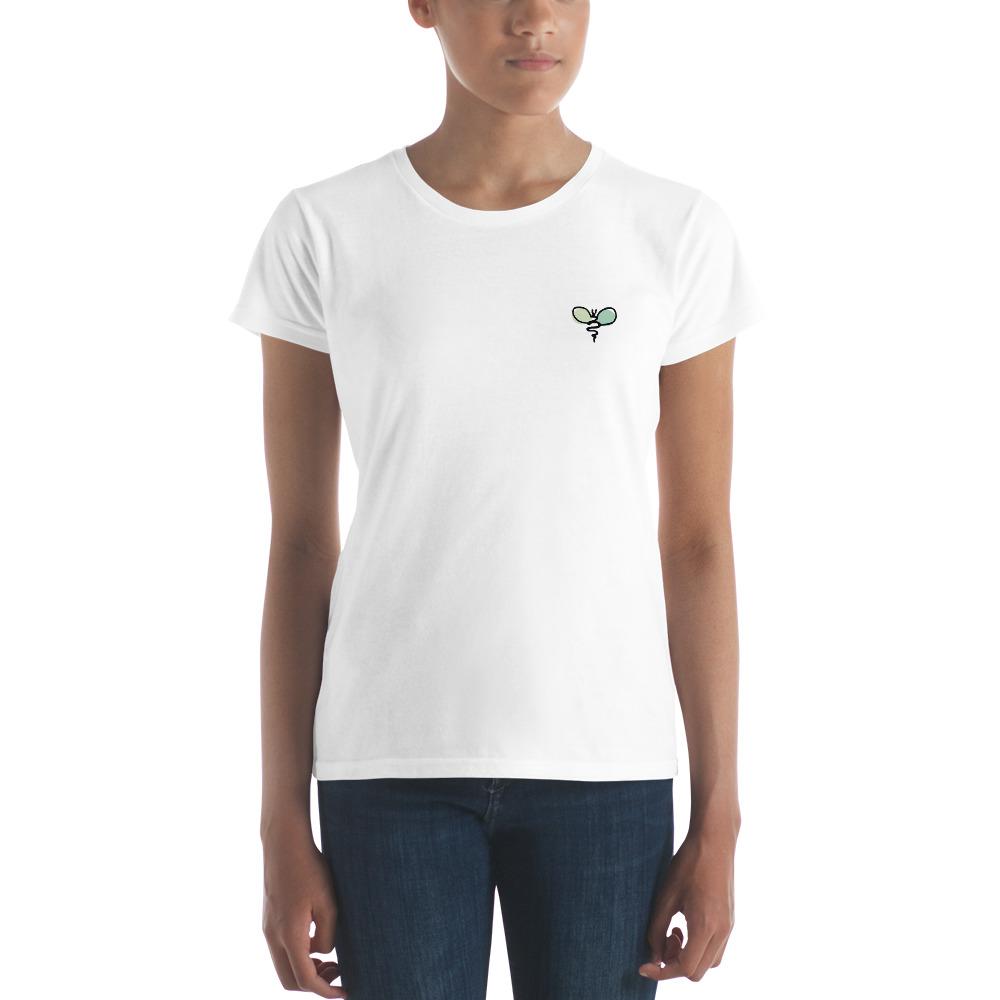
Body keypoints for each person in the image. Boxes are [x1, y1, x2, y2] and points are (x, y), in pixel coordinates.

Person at [228, 2, 765, 998]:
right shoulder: (326, 229)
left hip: (606, 765)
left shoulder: (672, 230)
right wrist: (279, 821)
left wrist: (720, 815)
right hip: (389, 766)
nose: (534, 18)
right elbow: (300, 544)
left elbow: (696, 540)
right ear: (423, 5)